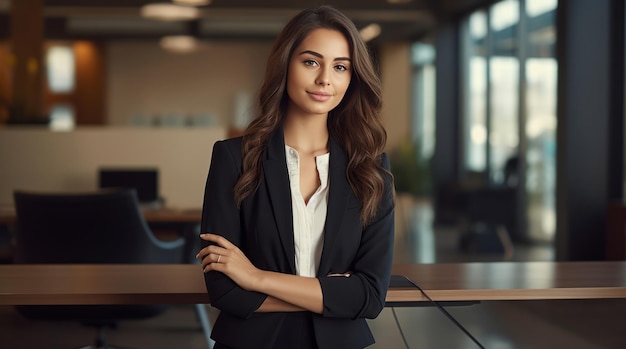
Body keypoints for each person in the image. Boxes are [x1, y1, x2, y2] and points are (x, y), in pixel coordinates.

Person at [196, 5, 395, 349]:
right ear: (285, 65)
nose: (325, 80)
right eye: (311, 62)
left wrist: (256, 277)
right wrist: (330, 296)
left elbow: (369, 295)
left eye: (340, 67)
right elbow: (225, 290)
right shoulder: (234, 159)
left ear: (352, 77)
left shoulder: (371, 169)